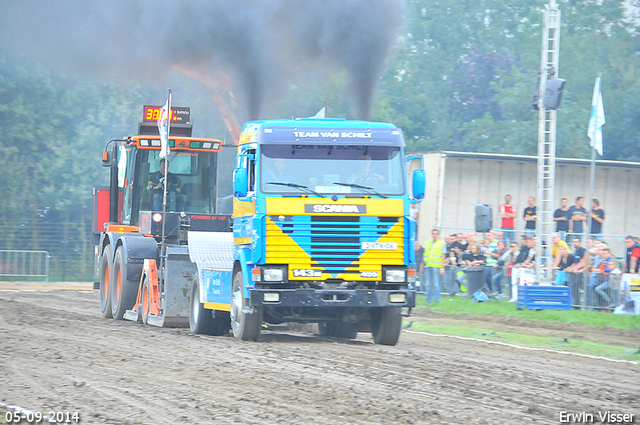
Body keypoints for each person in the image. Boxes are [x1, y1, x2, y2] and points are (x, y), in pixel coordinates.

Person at [424, 229, 446, 304]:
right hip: (428, 266)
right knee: (429, 284)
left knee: (436, 283)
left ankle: (437, 299)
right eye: (433, 234)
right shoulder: (428, 242)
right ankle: (429, 299)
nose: (434, 235)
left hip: (437, 266)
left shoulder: (442, 243)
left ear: (438, 235)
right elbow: (426, 254)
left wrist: (442, 268)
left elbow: (443, 256)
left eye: (436, 234)